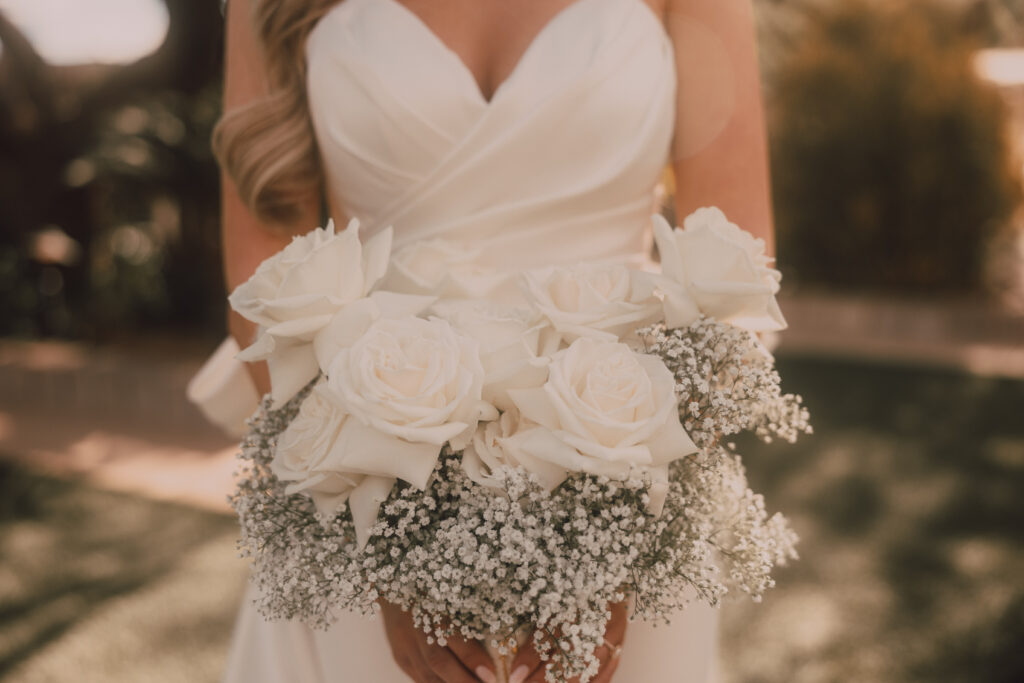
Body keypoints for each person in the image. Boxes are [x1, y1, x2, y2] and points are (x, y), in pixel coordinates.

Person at [212, 0, 774, 681]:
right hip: (357, 523)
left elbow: (737, 266)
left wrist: (620, 546)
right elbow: (262, 274)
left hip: (637, 504)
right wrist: (389, 549)